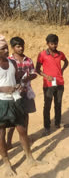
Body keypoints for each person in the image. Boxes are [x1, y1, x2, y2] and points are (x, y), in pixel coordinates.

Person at [0, 35, 42, 176]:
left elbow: (16, 77)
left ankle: (30, 158)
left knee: (22, 130)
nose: (6, 50)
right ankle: (7, 164)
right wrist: (2, 89)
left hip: (16, 100)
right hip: (1, 103)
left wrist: (19, 86)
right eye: (3, 48)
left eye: (6, 48)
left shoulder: (12, 63)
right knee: (1, 134)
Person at [6, 37, 37, 149]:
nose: (21, 48)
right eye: (18, 46)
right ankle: (9, 142)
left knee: (25, 116)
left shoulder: (28, 60)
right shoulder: (9, 61)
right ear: (13, 48)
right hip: (13, 94)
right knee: (13, 118)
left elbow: (34, 73)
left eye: (22, 45)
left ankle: (25, 138)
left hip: (26, 92)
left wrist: (28, 77)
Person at [36, 34, 69, 135]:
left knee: (58, 104)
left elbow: (66, 62)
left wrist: (62, 70)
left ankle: (57, 123)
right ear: (47, 43)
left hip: (60, 83)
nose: (54, 46)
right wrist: (46, 76)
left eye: (56, 44)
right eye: (52, 44)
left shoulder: (60, 54)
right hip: (48, 85)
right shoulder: (42, 54)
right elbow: (37, 69)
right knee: (47, 106)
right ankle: (47, 127)